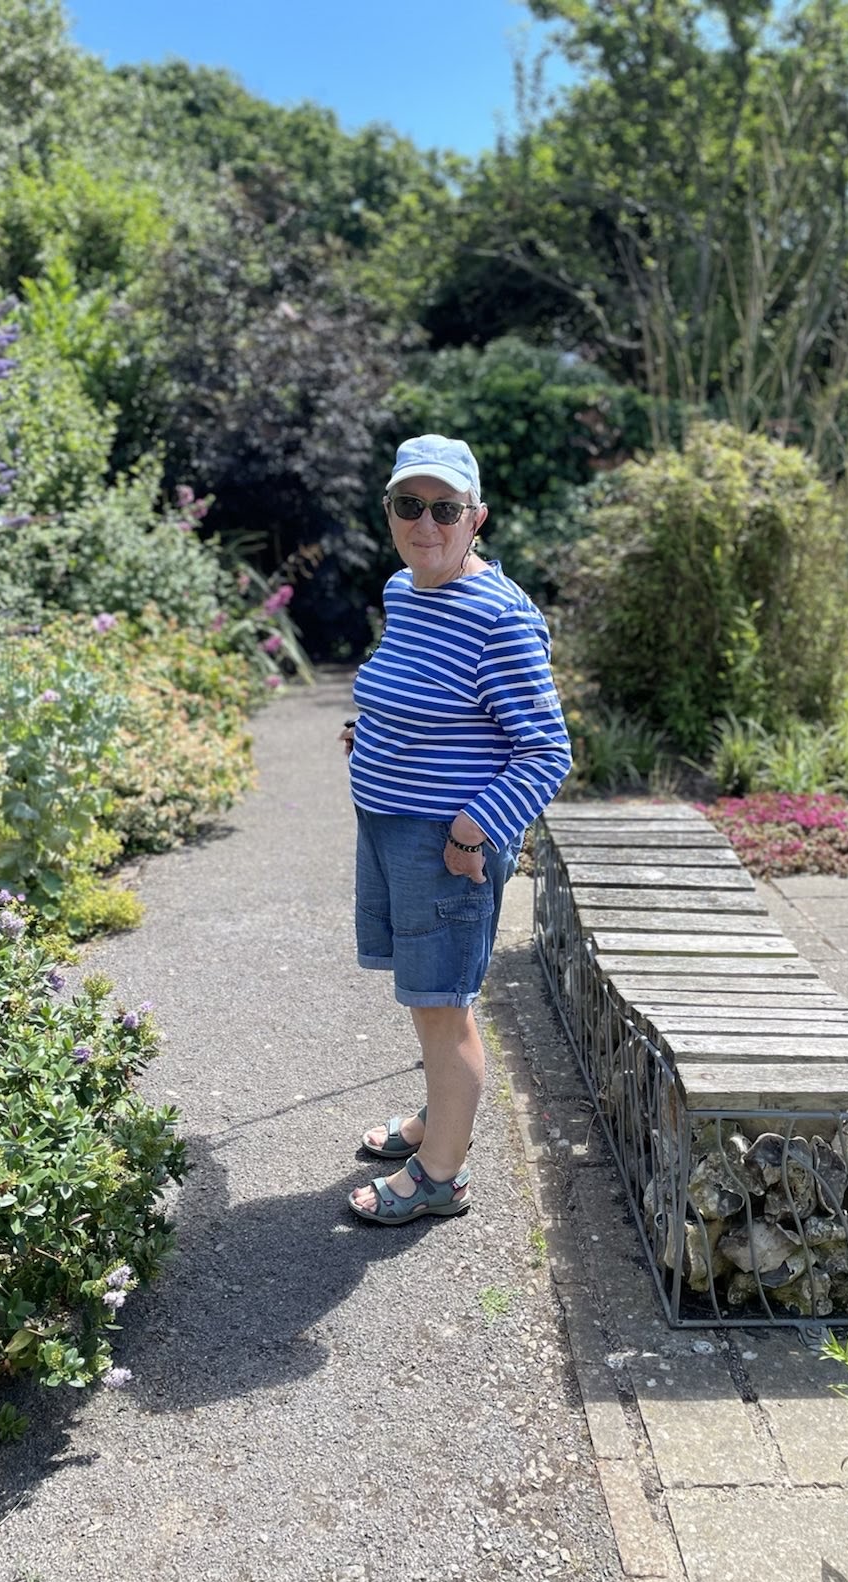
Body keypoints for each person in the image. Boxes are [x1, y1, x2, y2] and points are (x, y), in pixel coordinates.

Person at [342, 434, 572, 1226]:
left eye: (445, 509)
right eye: (410, 506)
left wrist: (473, 831)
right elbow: (425, 693)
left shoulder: (500, 617)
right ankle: (437, 1121)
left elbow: (546, 751)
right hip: (389, 828)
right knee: (427, 1001)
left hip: (447, 850)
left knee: (446, 1005)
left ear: (477, 518)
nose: (425, 524)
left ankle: (441, 1174)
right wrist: (371, 730)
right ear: (391, 513)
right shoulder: (405, 590)